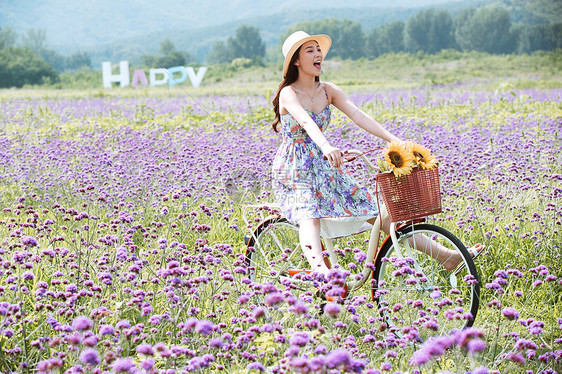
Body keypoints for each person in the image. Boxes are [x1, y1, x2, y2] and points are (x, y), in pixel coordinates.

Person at [270, 31, 482, 279]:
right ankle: (322, 276)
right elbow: (306, 122)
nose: (318, 54)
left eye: (319, 49)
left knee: (378, 212)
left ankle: (446, 256)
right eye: (310, 50)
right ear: (296, 61)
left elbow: (359, 116)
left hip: (325, 164)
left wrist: (394, 139)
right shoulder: (289, 93)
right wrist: (327, 147)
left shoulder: (328, 91)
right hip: (295, 166)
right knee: (310, 214)